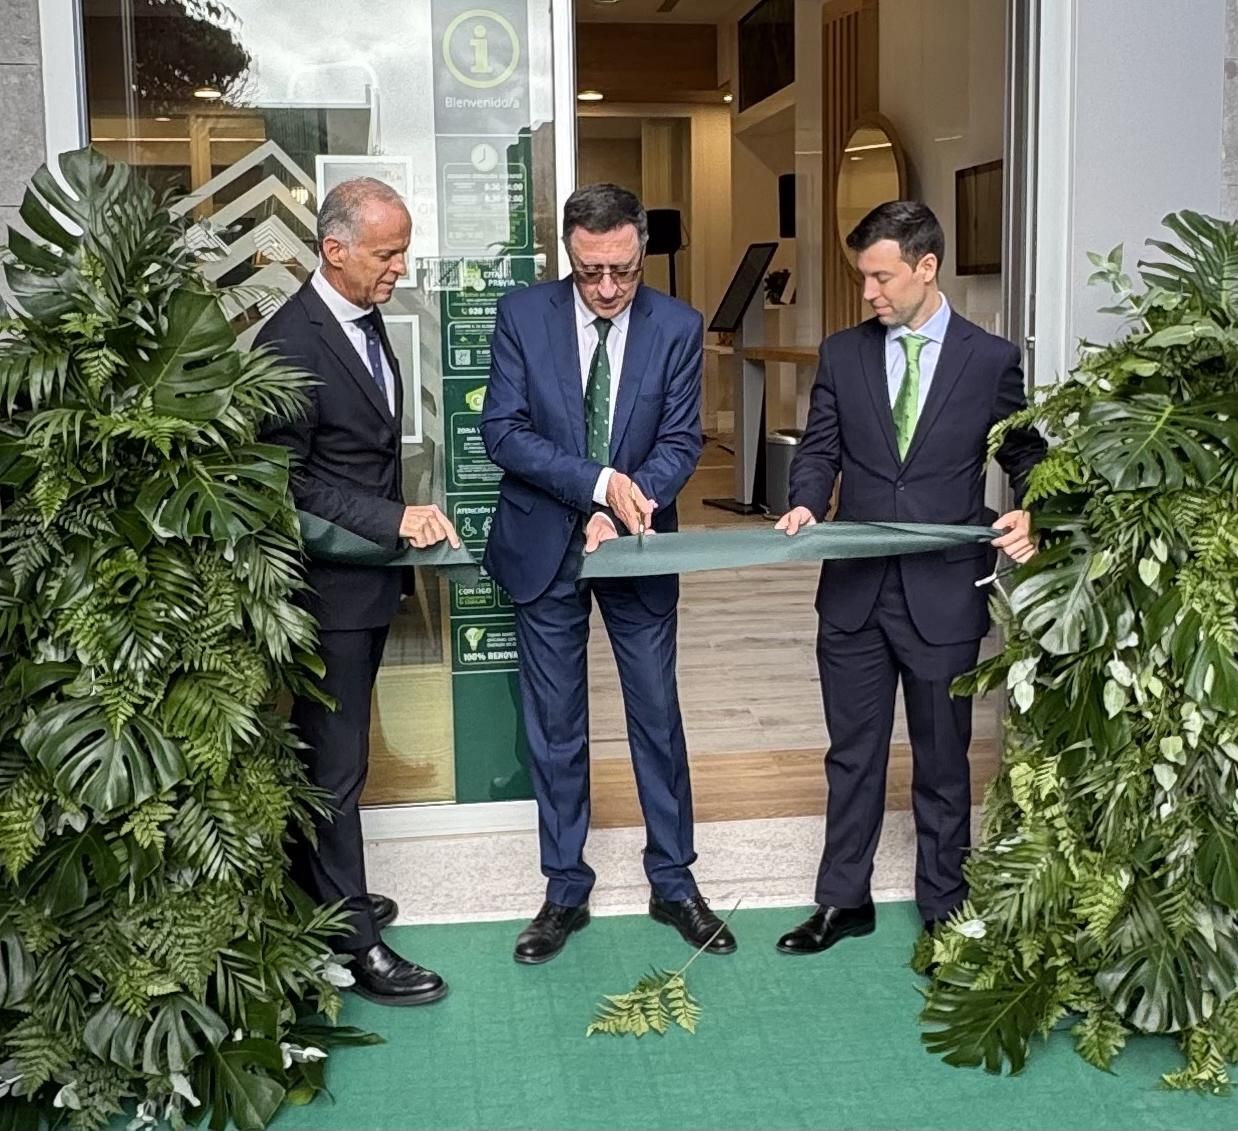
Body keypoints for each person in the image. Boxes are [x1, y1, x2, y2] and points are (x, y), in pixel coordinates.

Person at [774, 200, 1046, 955]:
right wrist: (802, 502)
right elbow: (820, 448)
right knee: (852, 752)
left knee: (942, 757)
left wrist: (1035, 511)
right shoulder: (843, 353)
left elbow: (1026, 454)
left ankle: (944, 905)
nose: (869, 292)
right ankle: (842, 900)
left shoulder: (989, 360)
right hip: (855, 592)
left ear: (927, 268)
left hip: (944, 593)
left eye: (881, 276)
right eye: (863, 276)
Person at [481, 183, 735, 963]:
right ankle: (564, 888)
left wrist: (630, 503)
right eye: (590, 271)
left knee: (656, 712)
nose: (607, 289)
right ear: (568, 254)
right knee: (554, 728)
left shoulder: (678, 326)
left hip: (638, 543)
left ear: (641, 251)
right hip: (544, 544)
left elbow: (681, 440)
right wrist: (596, 486)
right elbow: (505, 432)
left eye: (622, 270)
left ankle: (674, 881)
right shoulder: (523, 317)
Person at [258, 178, 459, 1005]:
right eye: (387, 253)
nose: (401, 267)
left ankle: (326, 893)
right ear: (333, 250)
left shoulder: (359, 315)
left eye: (403, 249)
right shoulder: (290, 342)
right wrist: (394, 516)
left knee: (337, 754)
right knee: (336, 765)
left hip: (363, 584)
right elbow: (286, 481)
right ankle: (356, 941)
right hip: (326, 591)